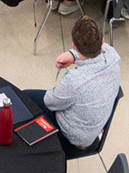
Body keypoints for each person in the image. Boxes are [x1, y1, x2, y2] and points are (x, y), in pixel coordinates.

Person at [20, 17, 121, 159]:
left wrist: (74, 54)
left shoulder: (75, 81)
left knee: (23, 98)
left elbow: (50, 102)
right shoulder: (113, 56)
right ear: (102, 41)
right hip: (91, 132)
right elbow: (99, 50)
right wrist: (72, 55)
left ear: (74, 45)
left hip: (73, 139)